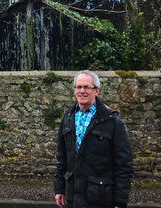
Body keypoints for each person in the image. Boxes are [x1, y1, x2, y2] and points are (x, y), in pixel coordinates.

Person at [54, 70, 133, 208]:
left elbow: (124, 164)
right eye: (78, 87)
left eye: (86, 87)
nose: (82, 91)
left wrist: (120, 201)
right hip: (73, 196)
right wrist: (59, 189)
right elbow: (62, 158)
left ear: (96, 90)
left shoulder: (111, 121)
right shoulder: (67, 118)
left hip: (101, 198)